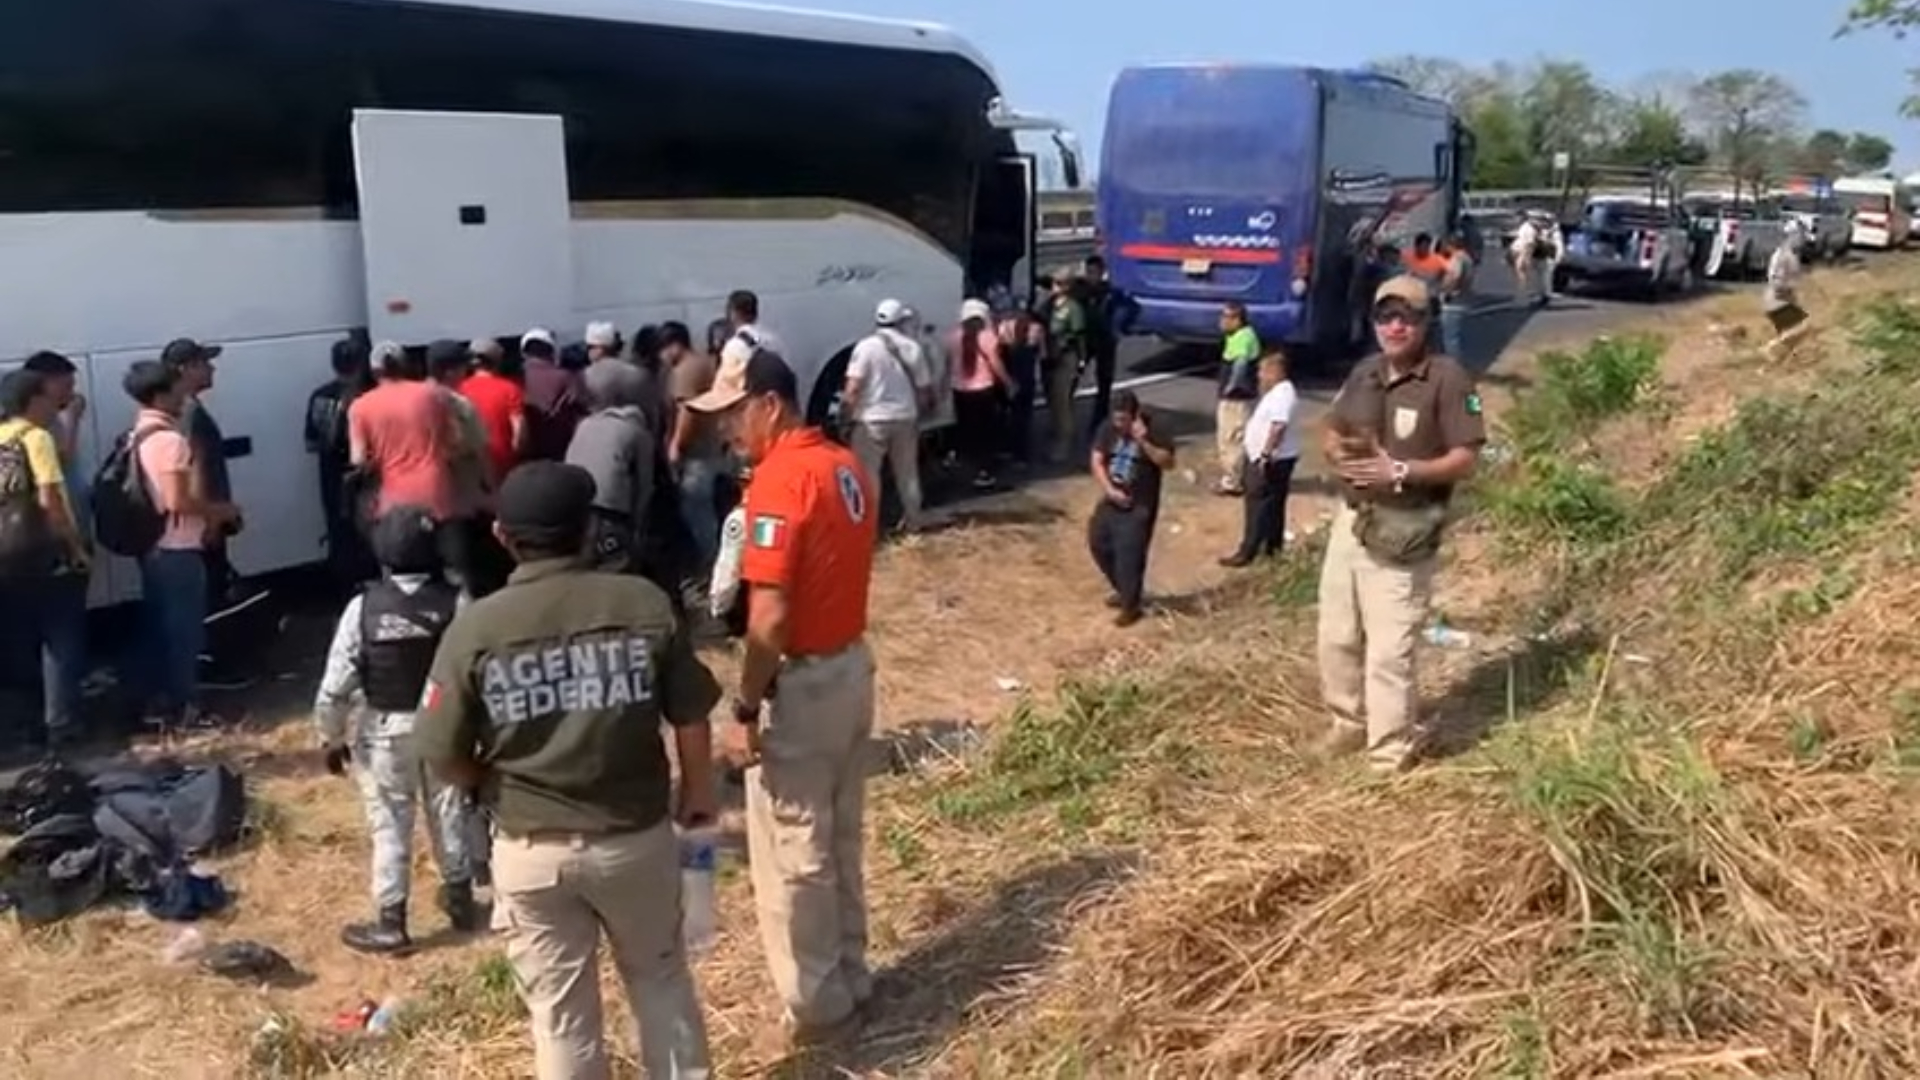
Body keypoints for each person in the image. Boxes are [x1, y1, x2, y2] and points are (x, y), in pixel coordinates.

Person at [416, 461, 719, 1079]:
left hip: (531, 852)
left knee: (561, 1019)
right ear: (588, 530)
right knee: (661, 984)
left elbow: (439, 752)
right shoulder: (640, 602)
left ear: (502, 535)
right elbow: (691, 714)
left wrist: (487, 782)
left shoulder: (476, 628)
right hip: (634, 838)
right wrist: (697, 792)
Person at [686, 346, 880, 1048]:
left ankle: (821, 1008)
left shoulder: (777, 483)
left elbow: (767, 619)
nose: (726, 432)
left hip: (800, 683)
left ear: (769, 404)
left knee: (795, 851)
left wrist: (743, 706)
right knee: (841, 836)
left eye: (734, 415)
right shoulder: (844, 465)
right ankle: (851, 975)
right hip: (852, 667)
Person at [1316, 275, 1486, 772]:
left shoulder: (1448, 379)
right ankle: (1346, 724)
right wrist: (1333, 449)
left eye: (1405, 317)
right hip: (1351, 521)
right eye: (1384, 317)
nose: (1394, 326)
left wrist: (1404, 470)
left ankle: (1388, 753)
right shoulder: (1366, 372)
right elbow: (1333, 423)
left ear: (1424, 321)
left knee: (1390, 651)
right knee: (1337, 634)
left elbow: (1467, 457)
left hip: (1405, 529)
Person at [314, 506, 476, 954]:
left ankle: (392, 921)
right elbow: (473, 671)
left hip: (383, 732)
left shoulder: (362, 608)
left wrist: (330, 738)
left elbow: (336, 683)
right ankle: (461, 901)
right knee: (449, 811)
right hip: (443, 727)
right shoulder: (457, 602)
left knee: (390, 826)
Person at [122, 360, 241, 729]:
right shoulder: (170, 440)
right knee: (184, 632)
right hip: (178, 547)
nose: (182, 397)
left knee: (158, 628)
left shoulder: (137, 435)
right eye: (176, 390)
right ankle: (186, 707)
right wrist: (219, 510)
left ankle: (153, 704)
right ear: (160, 395)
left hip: (152, 546)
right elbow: (177, 501)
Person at [0, 368, 90, 751]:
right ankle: (61, 725)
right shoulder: (36, 438)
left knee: (19, 636)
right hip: (43, 554)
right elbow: (50, 502)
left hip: (6, 557)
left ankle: (24, 723)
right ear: (33, 400)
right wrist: (75, 548)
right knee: (61, 638)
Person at [1087, 390, 1175, 627]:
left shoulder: (1154, 429)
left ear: (1134, 416)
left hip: (1139, 504)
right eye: (1116, 419)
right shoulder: (1108, 428)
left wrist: (1144, 441)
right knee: (1098, 542)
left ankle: (1131, 606)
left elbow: (1168, 462)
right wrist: (1108, 489)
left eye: (1124, 420)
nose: (1119, 425)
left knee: (1130, 555)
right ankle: (1126, 590)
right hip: (1113, 497)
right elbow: (1097, 458)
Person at [348, 342, 459, 527]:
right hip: (438, 491)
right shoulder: (433, 394)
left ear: (374, 371)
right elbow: (454, 440)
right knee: (451, 549)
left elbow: (358, 459)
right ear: (405, 365)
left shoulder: (360, 407)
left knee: (401, 551)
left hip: (396, 499)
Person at [844, 298, 930, 532]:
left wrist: (846, 416)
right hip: (905, 417)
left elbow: (853, 388)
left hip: (871, 420)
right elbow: (924, 390)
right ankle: (914, 523)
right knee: (908, 474)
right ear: (901, 320)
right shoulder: (913, 348)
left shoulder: (865, 347)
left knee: (869, 476)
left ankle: (868, 528)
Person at [566, 359, 657, 574]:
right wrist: (638, 523)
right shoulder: (637, 432)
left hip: (575, 508)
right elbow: (644, 484)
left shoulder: (584, 425)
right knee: (617, 567)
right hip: (611, 511)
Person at [427, 339, 500, 597]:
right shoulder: (459, 405)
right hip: (460, 498)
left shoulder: (415, 400)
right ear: (449, 371)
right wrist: (491, 490)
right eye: (462, 367)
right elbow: (478, 451)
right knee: (464, 575)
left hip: (423, 497)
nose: (466, 371)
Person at [1220, 354, 1300, 568]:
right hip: (1269, 457)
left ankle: (1249, 551)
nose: (1259, 375)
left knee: (1258, 504)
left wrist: (1265, 454)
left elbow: (1278, 426)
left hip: (1271, 460)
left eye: (1263, 370)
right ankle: (1271, 548)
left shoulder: (1283, 394)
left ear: (1276, 370)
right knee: (1271, 504)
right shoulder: (1277, 393)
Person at [307, 338, 375, 586]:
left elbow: (310, 443)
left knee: (339, 534)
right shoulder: (370, 397)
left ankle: (346, 593)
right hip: (364, 478)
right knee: (369, 534)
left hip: (331, 478)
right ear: (361, 364)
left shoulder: (319, 396)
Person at [664, 320, 725, 570]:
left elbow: (686, 411)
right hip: (714, 445)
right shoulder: (706, 363)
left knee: (696, 510)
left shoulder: (685, 371)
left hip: (697, 452)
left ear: (675, 345)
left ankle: (710, 563)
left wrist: (676, 445)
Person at [946, 299, 1012, 490]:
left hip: (959, 389)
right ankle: (984, 471)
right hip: (983, 389)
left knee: (967, 430)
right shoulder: (988, 337)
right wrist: (1008, 382)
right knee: (986, 432)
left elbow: (947, 363)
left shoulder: (953, 336)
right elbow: (995, 362)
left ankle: (967, 466)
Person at [1078, 254, 1140, 440]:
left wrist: (1119, 328)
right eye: (1089, 272)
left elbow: (1132, 307)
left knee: (1104, 384)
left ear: (1103, 273)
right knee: (1073, 378)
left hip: (1105, 341)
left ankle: (1099, 423)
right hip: (1086, 341)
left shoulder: (1111, 293)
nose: (1092, 277)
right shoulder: (1080, 290)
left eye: (1095, 273)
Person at [1213, 301, 1261, 495]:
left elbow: (1240, 365)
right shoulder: (1238, 336)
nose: (1221, 321)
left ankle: (1233, 481)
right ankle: (1234, 477)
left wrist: (1232, 386)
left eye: (1226, 317)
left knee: (1232, 438)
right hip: (1235, 397)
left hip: (1236, 399)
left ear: (1237, 320)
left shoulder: (1243, 337)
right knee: (1230, 438)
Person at [518, 328, 585, 462]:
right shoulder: (566, 377)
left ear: (524, 352)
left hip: (526, 451)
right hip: (559, 449)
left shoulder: (515, 379)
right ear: (551, 351)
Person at [1041, 273, 1088, 463]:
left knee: (1062, 402)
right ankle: (1055, 434)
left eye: (1060, 284)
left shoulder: (1073, 308)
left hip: (1066, 358)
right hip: (1049, 357)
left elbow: (1079, 336)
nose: (1055, 287)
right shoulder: (1049, 304)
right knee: (1051, 399)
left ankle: (1064, 443)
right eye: (1054, 283)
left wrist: (1082, 360)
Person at [1764, 221, 1812, 359]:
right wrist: (1790, 287)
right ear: (1793, 235)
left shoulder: (1792, 254)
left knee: (1792, 339)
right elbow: (1775, 281)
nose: (1803, 241)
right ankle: (1769, 349)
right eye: (1801, 236)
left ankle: (1772, 362)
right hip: (1777, 300)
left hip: (1786, 300)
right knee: (1801, 329)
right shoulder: (1782, 255)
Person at [1436, 232, 1476, 361]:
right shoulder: (1468, 258)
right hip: (1464, 300)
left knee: (1450, 338)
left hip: (1453, 303)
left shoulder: (1457, 259)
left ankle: (1453, 366)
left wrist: (1446, 292)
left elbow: (1455, 276)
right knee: (1457, 336)